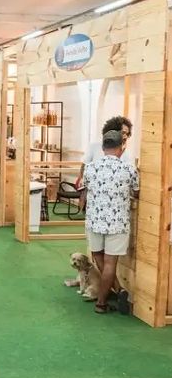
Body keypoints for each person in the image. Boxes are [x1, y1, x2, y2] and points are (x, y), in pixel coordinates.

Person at [82, 130, 139, 315]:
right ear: (121, 147)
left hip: (95, 220)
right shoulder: (129, 169)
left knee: (97, 255)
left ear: (103, 147)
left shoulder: (90, 168)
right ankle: (102, 302)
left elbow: (86, 187)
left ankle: (117, 290)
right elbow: (137, 191)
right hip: (118, 222)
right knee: (110, 262)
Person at [78, 116, 133, 185]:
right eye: (123, 133)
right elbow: (84, 166)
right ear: (112, 132)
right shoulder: (94, 146)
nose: (125, 136)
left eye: (127, 134)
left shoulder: (127, 153)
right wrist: (82, 180)